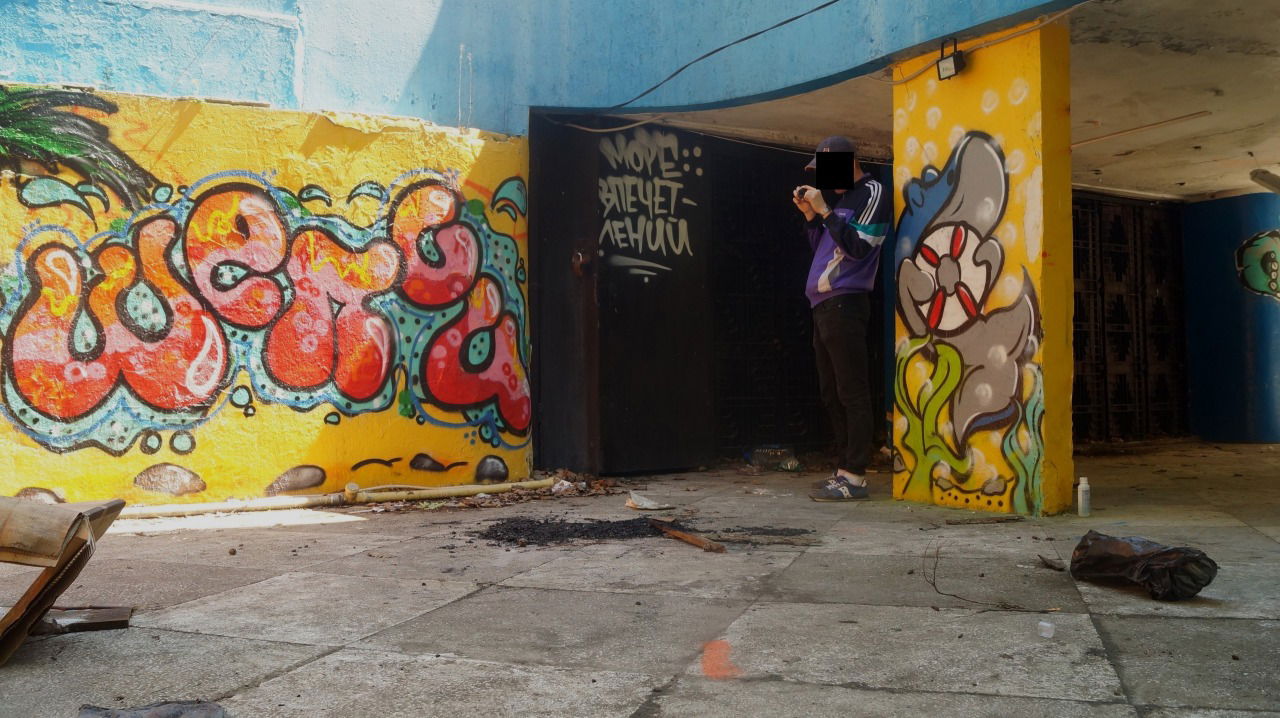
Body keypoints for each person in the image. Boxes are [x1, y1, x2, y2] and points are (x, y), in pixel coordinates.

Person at [792, 136, 889, 501]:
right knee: (831, 392)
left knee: (852, 390)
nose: (824, 180)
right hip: (823, 304)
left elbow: (860, 248)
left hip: (846, 302)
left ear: (849, 163)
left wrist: (827, 213)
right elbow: (824, 250)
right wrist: (811, 216)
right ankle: (843, 469)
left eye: (827, 170)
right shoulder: (842, 201)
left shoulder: (872, 192)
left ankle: (856, 475)